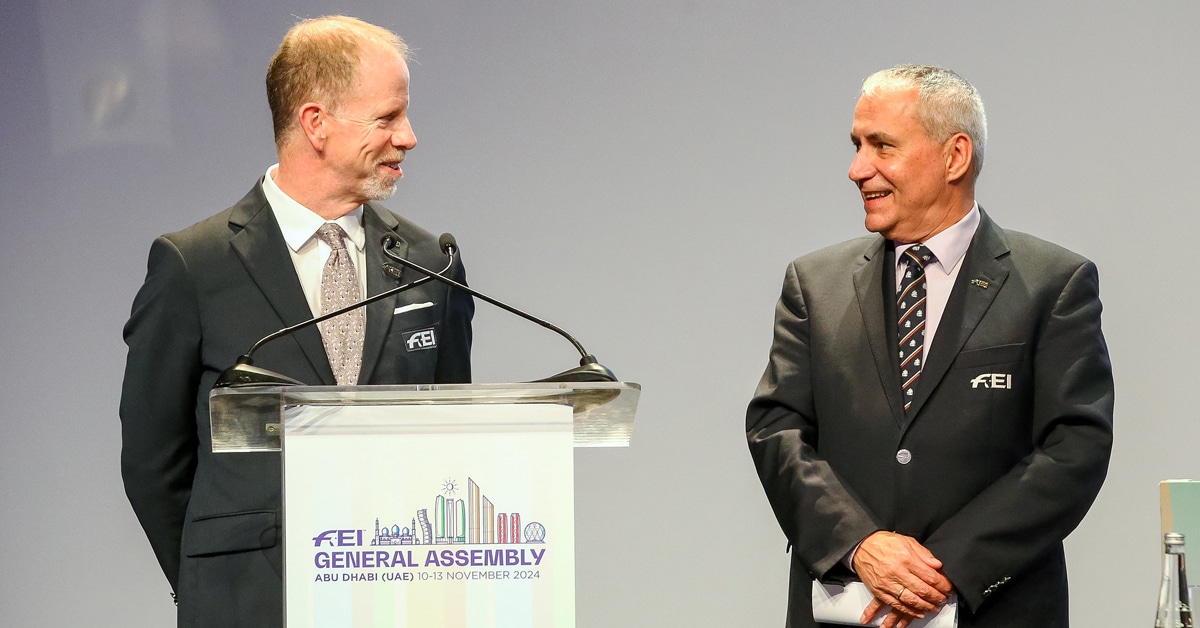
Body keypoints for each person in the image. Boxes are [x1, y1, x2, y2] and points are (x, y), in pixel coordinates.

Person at [120, 16, 473, 626]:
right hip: (246, 604)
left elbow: (449, 431)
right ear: (316, 123)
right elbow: (154, 459)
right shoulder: (194, 265)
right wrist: (209, 580)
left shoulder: (429, 262)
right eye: (386, 118)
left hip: (396, 602)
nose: (409, 136)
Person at [746, 65, 1113, 628]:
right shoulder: (813, 284)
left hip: (994, 610)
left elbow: (1073, 448)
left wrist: (945, 569)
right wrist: (859, 544)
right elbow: (776, 427)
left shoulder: (1052, 284)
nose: (856, 169)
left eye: (882, 146)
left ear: (955, 156)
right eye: (856, 146)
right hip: (847, 609)